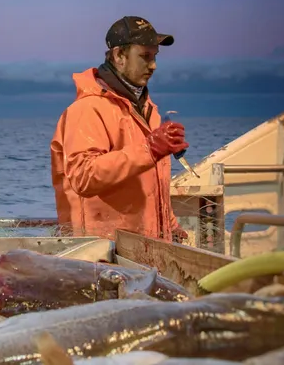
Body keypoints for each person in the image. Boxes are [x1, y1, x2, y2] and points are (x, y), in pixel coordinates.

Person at [50, 16, 190, 243]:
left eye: (154, 57)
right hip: (102, 256)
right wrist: (151, 149)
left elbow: (151, 184)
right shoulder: (87, 109)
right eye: (145, 56)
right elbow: (83, 177)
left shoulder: (148, 110)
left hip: (142, 250)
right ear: (119, 56)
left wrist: (171, 227)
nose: (153, 65)